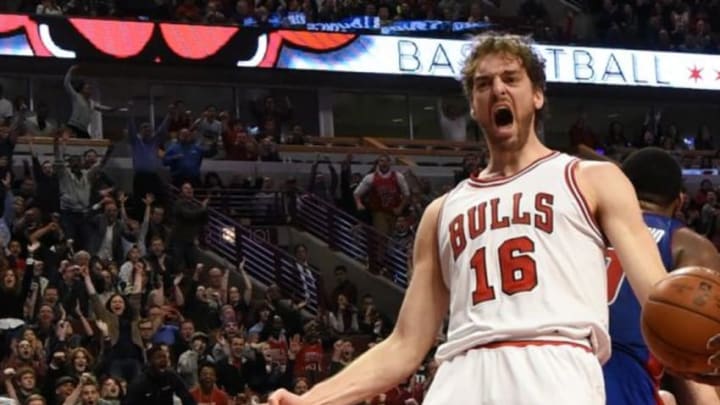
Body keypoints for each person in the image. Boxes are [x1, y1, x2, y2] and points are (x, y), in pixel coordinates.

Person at [267, 32, 720, 405]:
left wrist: (701, 348)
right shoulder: (440, 212)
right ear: (473, 106)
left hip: (556, 366)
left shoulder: (593, 178)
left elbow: (658, 296)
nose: (497, 89)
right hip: (460, 374)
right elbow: (405, 344)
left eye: (511, 78)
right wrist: (313, 400)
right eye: (483, 84)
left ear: (538, 95)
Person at [605, 147, 720, 404]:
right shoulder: (687, 244)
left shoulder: (583, 229)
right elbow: (698, 352)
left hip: (555, 370)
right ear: (679, 202)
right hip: (626, 383)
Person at [122, 346, 196, 405]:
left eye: (164, 357)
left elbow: (187, 398)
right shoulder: (139, 383)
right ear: (149, 362)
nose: (163, 360)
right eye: (158, 357)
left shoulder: (171, 376)